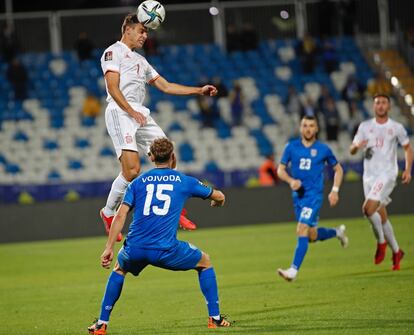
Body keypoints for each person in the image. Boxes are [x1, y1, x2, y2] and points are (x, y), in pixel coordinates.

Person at [87, 138, 231, 334]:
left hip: (135, 248)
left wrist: (109, 247)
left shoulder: (137, 183)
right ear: (173, 157)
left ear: (151, 157)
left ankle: (102, 324)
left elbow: (120, 215)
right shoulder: (184, 181)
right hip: (165, 249)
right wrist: (217, 202)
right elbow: (219, 196)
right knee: (205, 262)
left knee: (120, 269)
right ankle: (215, 319)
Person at [99, 13, 218, 237]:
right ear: (128, 30)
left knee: (168, 154)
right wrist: (131, 111)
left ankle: (176, 209)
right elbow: (113, 88)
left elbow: (165, 85)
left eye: (146, 32)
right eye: (141, 31)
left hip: (139, 112)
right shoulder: (112, 52)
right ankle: (108, 212)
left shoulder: (141, 60)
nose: (145, 35)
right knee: (132, 170)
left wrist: (198, 90)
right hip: (120, 111)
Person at [277, 115, 348, 282]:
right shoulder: (291, 147)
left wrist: (335, 190)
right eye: (304, 125)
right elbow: (280, 170)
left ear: (316, 128)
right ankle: (337, 232)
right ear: (300, 128)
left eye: (311, 126)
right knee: (311, 235)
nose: (308, 128)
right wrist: (290, 180)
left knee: (301, 229)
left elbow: (339, 170)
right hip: (298, 197)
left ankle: (293, 271)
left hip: (314, 196)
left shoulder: (323, 149)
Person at [349, 94, 412, 270]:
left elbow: (407, 149)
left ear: (389, 107)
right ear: (373, 106)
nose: (381, 106)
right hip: (368, 176)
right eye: (378, 103)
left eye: (384, 103)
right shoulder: (365, 126)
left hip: (387, 174)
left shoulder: (396, 127)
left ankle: (381, 243)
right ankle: (397, 251)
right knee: (380, 215)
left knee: (367, 209)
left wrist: (407, 169)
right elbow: (352, 149)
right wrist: (355, 147)